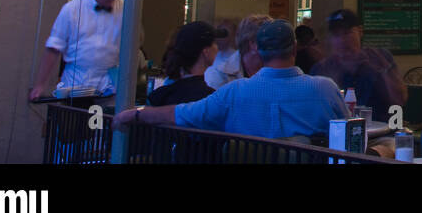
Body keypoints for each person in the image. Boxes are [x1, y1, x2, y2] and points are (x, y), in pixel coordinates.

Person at [114, 20, 348, 138]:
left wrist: (135, 114)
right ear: (295, 48)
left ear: (259, 50)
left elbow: (183, 114)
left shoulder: (234, 93)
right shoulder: (325, 89)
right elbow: (349, 136)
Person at [29, 0, 123, 102]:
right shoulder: (72, 9)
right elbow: (54, 48)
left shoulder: (125, 8)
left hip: (110, 85)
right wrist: (40, 85)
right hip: (76, 84)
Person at [311, 9, 404, 118]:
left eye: (347, 33)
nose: (342, 40)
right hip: (340, 131)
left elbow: (400, 100)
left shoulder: (379, 58)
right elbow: (315, 111)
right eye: (336, 35)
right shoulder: (322, 68)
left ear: (360, 31)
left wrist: (383, 71)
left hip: (381, 131)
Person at [148, 21, 219, 106]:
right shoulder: (210, 100)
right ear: (205, 52)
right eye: (214, 43)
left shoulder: (158, 96)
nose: (217, 48)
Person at [204, 18, 240, 88]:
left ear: (234, 35)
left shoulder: (236, 58)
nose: (220, 36)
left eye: (224, 33)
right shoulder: (209, 54)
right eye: (219, 30)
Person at [234, 14, 273, 79]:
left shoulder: (277, 69)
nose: (277, 44)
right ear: (253, 43)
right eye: (271, 40)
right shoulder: (220, 77)